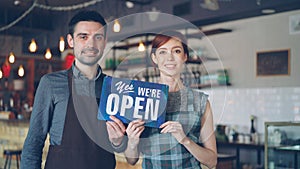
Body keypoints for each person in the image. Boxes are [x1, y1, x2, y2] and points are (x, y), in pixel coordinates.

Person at [21, 10, 126, 169]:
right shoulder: (50, 84)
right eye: (83, 37)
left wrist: (118, 141)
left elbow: (122, 146)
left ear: (105, 42)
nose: (91, 44)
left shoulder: (115, 88)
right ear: (71, 41)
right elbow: (34, 143)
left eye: (98, 37)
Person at [124, 30, 217, 169]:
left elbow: (212, 161)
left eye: (177, 51)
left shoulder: (200, 102)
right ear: (154, 58)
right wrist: (132, 141)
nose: (170, 58)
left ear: (185, 56)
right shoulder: (141, 99)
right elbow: (131, 160)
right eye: (162, 52)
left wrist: (185, 140)